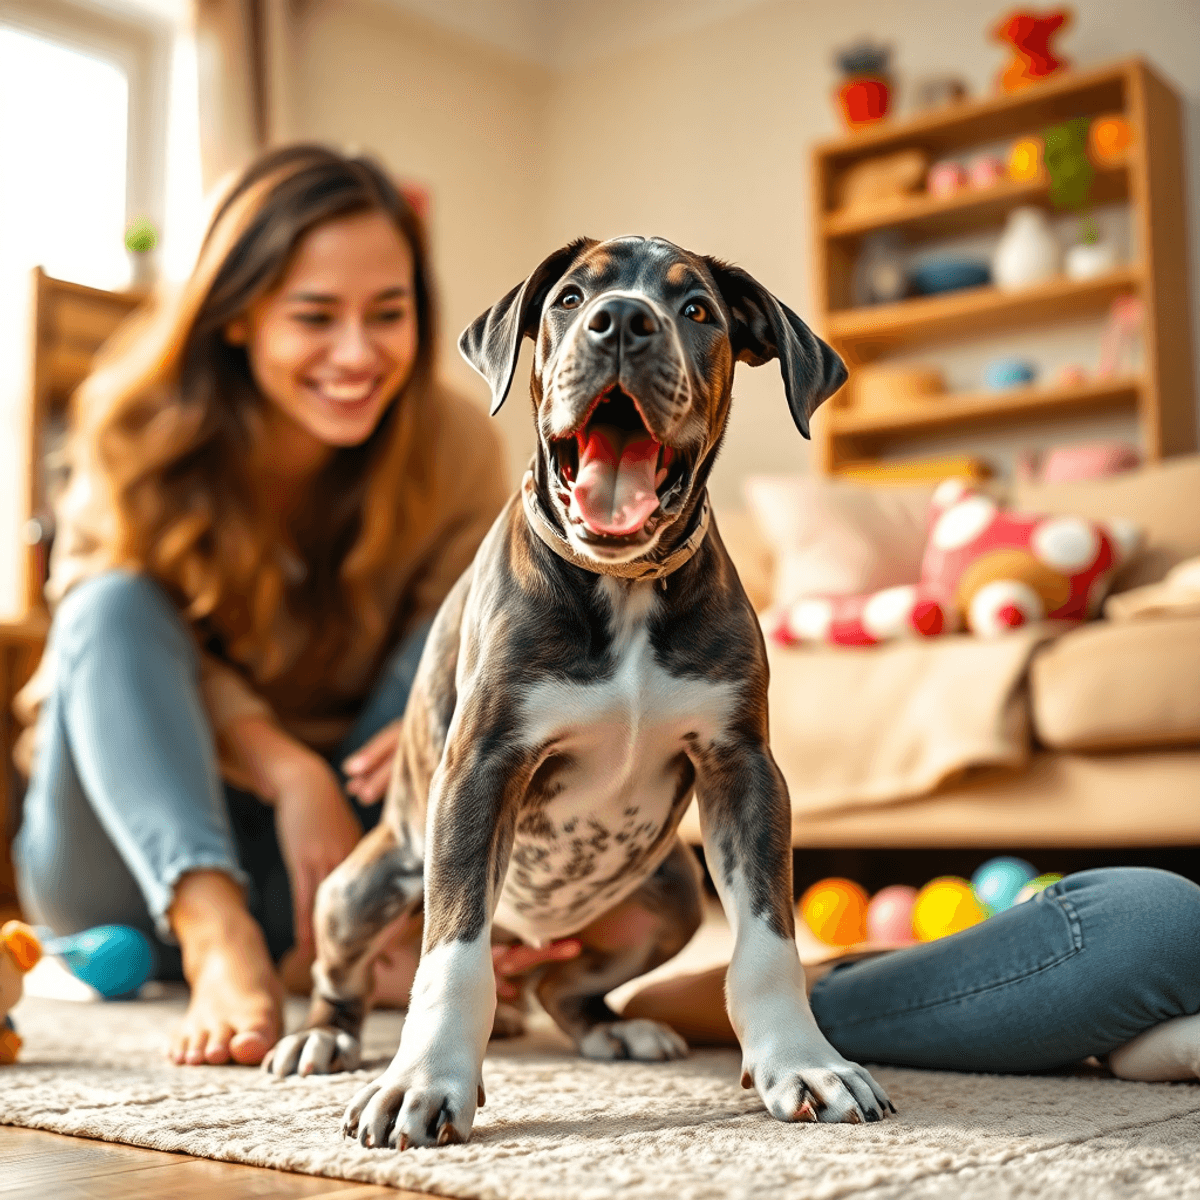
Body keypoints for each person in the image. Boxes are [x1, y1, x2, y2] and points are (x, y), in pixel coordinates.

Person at [11, 144, 555, 1068]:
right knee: (106, 607)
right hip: (125, 855)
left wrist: (441, 735)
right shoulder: (132, 426)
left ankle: (350, 939)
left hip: (337, 850)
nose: (358, 353)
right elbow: (103, 649)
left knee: (474, 622)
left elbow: (474, 653)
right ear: (237, 318)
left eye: (389, 313)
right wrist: (286, 771)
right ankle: (217, 935)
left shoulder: (455, 438)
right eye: (314, 317)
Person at [622, 866, 1200, 1085]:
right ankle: (814, 979)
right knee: (1161, 924)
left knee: (1154, 933)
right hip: (1148, 926)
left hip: (1142, 941)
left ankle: (858, 969)